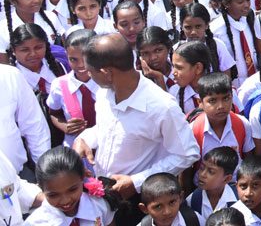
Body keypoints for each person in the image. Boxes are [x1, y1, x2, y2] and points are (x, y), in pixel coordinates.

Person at [72, 33, 199, 222]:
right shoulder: (104, 93)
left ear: (107, 72)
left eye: (91, 71)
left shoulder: (162, 106)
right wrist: (84, 139)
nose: (88, 75)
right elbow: (105, 129)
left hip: (137, 204)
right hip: (101, 196)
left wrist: (136, 182)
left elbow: (188, 153)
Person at [26, 146, 118, 226]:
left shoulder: (99, 205)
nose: (65, 200)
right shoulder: (35, 223)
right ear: (41, 188)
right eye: (53, 195)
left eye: (72, 190)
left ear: (82, 177)